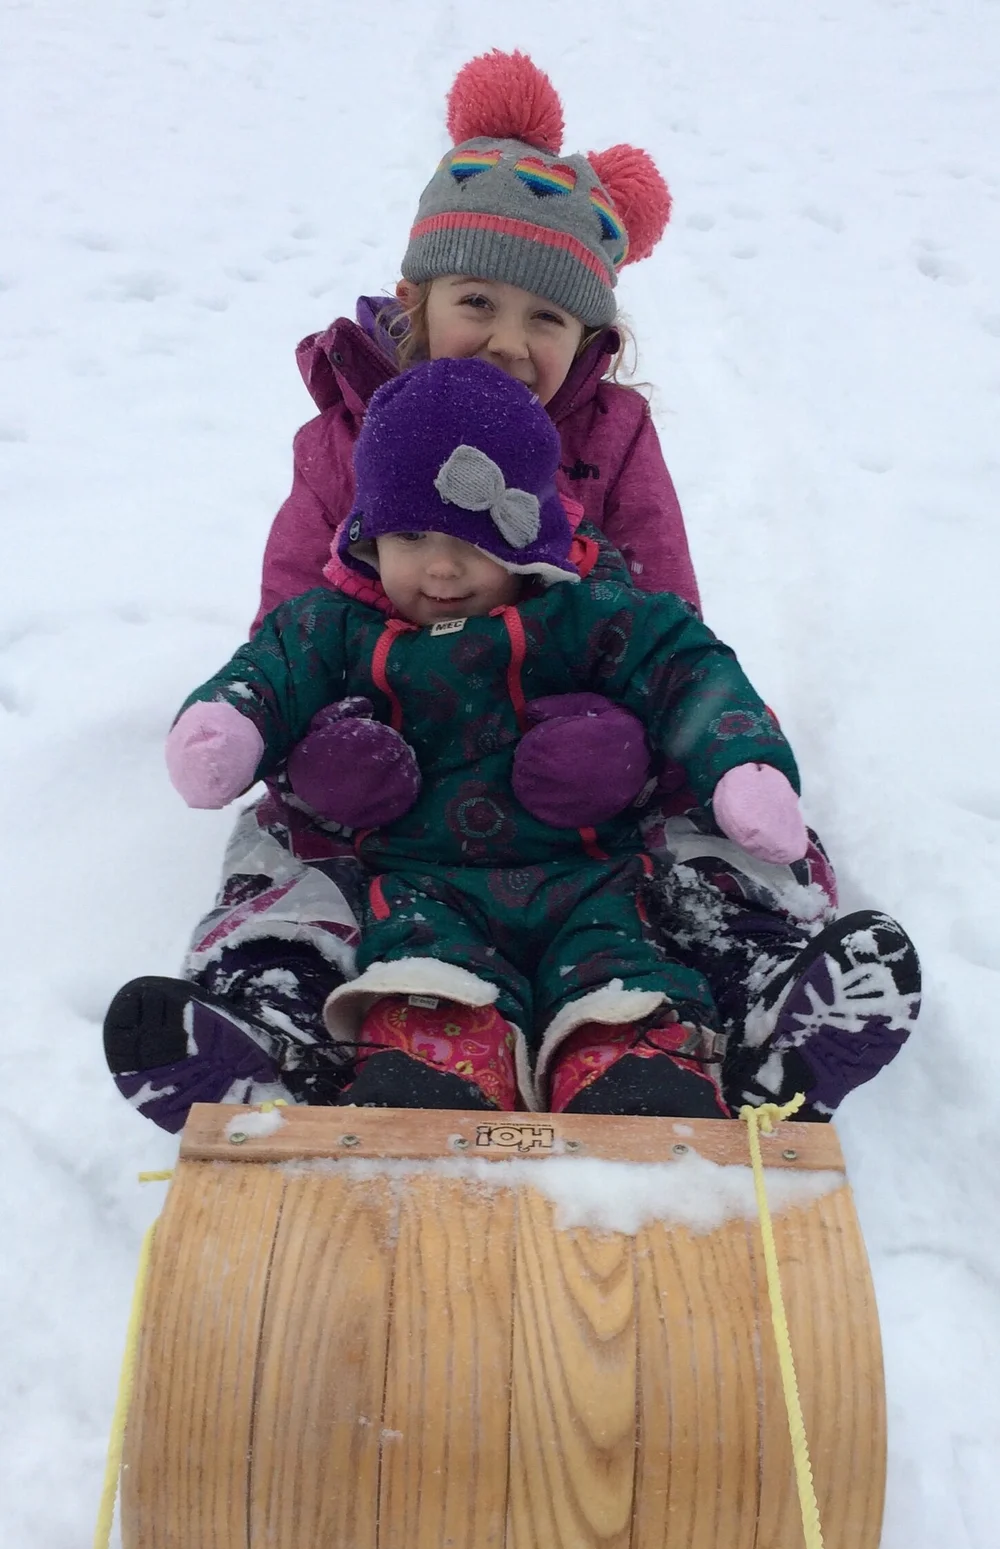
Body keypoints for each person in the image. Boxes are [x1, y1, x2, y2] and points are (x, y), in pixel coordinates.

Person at [103, 49, 919, 1131]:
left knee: (693, 831)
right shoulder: (343, 439)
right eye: (476, 300)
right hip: (393, 758)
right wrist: (331, 742)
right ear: (415, 300)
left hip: (576, 750)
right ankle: (273, 1012)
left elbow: (667, 618)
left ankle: (759, 986)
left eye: (547, 319)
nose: (508, 339)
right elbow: (290, 627)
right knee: (291, 845)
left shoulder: (614, 436)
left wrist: (618, 732)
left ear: (590, 338)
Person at [154, 358, 814, 1120]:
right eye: (409, 535)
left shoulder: (585, 612)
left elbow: (686, 666)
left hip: (591, 867)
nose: (440, 566)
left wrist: (739, 761)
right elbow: (268, 674)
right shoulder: (335, 627)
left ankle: (631, 1078)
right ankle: (432, 1078)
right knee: (424, 975)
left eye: (473, 538)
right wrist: (229, 728)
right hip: (422, 879)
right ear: (368, 535)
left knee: (620, 968)